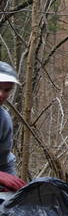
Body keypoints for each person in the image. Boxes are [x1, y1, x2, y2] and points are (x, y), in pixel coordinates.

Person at [0, 61, 25, 192]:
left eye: (7, 90)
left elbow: (4, 162)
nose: (1, 94)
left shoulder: (3, 120)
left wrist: (11, 187)